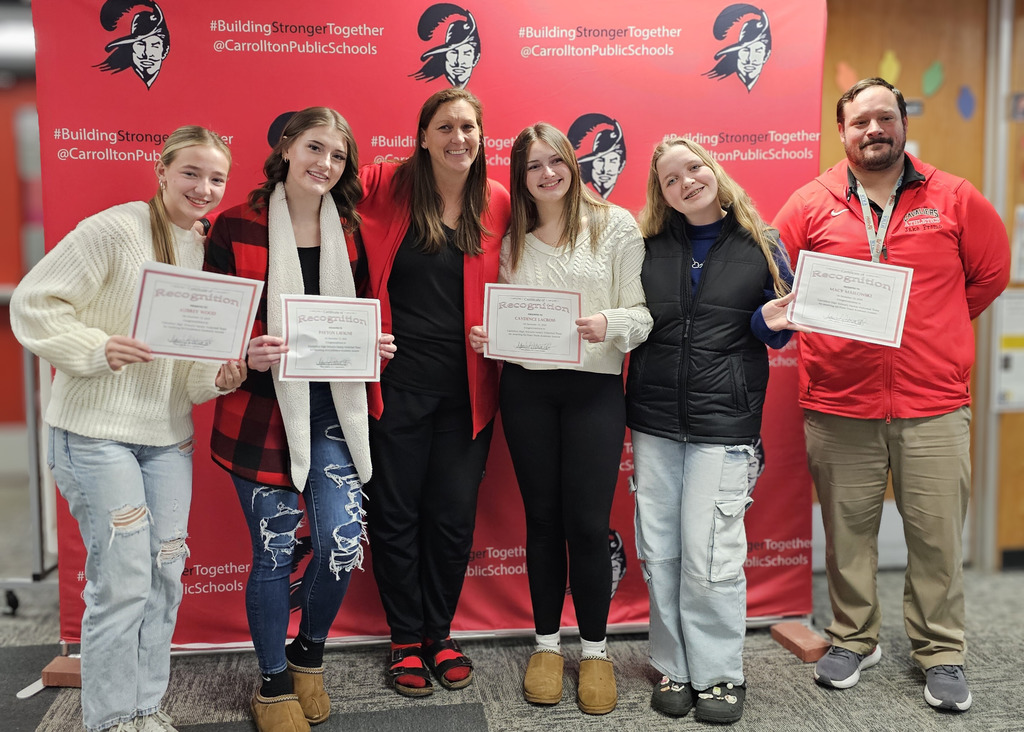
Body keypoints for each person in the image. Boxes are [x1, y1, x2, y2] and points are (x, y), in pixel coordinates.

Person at [773, 77, 1011, 713]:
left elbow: (989, 275)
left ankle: (941, 651)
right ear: (842, 133)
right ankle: (853, 638)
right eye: (860, 122)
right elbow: (775, 280)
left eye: (885, 117)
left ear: (903, 123)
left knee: (935, 536)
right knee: (848, 532)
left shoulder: (955, 197)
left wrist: (932, 328)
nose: (873, 130)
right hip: (837, 401)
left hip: (932, 402)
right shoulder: (809, 203)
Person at [11, 126, 243, 732]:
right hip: (95, 436)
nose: (203, 188)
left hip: (167, 438)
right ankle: (111, 720)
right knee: (122, 583)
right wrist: (94, 348)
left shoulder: (203, 250)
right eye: (191, 173)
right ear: (161, 170)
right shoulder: (113, 230)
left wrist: (218, 377)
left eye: (216, 178)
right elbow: (32, 303)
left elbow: (185, 377)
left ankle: (145, 709)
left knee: (165, 576)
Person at [203, 107, 395, 732]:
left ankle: (308, 653)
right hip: (259, 414)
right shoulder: (236, 223)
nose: (326, 164)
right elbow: (212, 327)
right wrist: (245, 349)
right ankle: (273, 683)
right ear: (285, 148)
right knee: (275, 551)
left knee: (341, 543)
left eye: (339, 156)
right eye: (315, 148)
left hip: (332, 409)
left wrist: (373, 347)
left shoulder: (351, 229)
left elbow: (358, 314)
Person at [468, 122, 651, 714]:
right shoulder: (510, 235)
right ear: (519, 178)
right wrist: (487, 337)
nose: (547, 174)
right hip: (527, 391)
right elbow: (500, 308)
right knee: (542, 520)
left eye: (557, 162)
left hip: (594, 391)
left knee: (589, 524)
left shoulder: (615, 225)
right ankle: (547, 643)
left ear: (574, 165)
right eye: (532, 166)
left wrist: (611, 324)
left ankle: (594, 650)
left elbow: (643, 315)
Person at [627, 137, 804, 724]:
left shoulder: (763, 242)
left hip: (723, 424)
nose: (686, 183)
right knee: (660, 549)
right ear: (663, 194)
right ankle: (675, 666)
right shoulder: (646, 246)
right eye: (671, 179)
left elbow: (776, 326)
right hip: (653, 420)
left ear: (713, 170)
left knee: (711, 556)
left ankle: (721, 674)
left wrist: (769, 321)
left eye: (693, 168)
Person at [357, 87, 510, 698]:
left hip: (469, 392)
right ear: (422, 136)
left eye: (468, 127)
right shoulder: (388, 184)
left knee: (451, 519)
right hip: (395, 387)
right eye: (445, 127)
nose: (458, 138)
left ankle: (439, 633)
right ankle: (403, 638)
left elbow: (538, 266)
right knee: (394, 515)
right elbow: (320, 179)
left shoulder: (496, 199)